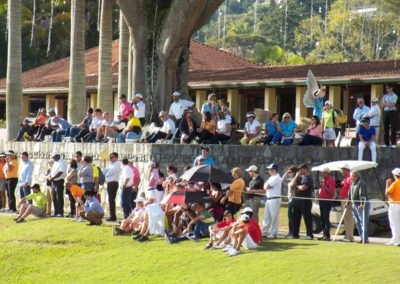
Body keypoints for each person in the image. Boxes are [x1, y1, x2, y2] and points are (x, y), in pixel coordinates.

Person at [289, 164, 314, 240]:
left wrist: (297, 186)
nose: (299, 171)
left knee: (307, 218)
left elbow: (303, 188)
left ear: (305, 169)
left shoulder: (309, 178)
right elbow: (291, 185)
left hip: (305, 201)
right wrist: (296, 176)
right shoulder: (299, 178)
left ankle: (309, 235)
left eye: (300, 169)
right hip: (297, 200)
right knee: (295, 218)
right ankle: (295, 234)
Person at [348, 171, 369, 244]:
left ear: (356, 176)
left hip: (361, 205)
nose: (350, 178)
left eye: (352, 176)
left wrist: (362, 204)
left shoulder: (361, 183)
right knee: (357, 223)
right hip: (354, 205)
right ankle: (362, 238)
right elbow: (349, 194)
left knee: (363, 222)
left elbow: (362, 194)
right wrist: (348, 203)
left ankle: (365, 239)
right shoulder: (352, 184)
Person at [262, 163, 282, 239]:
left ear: (274, 170)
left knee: (274, 217)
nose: (268, 171)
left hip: (275, 199)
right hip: (269, 199)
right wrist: (266, 186)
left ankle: (273, 233)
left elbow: (267, 186)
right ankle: (264, 231)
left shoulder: (276, 177)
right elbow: (265, 187)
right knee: (266, 216)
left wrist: (266, 186)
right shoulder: (271, 177)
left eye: (270, 169)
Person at [103, 152, 121, 221]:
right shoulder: (111, 165)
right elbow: (104, 172)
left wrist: (107, 172)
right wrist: (104, 164)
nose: (111, 159)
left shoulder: (117, 164)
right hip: (109, 183)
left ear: (116, 157)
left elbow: (109, 173)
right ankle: (112, 215)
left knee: (111, 199)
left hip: (113, 183)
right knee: (110, 199)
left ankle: (113, 216)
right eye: (110, 158)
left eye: (112, 157)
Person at [318, 168, 335, 241]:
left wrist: (324, 185)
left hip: (327, 201)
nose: (323, 174)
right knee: (322, 218)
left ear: (327, 173)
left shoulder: (331, 180)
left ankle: (327, 235)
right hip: (321, 200)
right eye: (322, 173)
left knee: (325, 217)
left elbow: (331, 192)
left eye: (324, 173)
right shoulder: (323, 180)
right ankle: (324, 234)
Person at [48, 152, 66, 217]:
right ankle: (56, 211)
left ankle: (60, 212)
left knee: (59, 197)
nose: (53, 158)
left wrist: (53, 177)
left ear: (57, 155)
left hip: (59, 181)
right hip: (54, 182)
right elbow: (52, 171)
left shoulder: (62, 162)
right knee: (54, 197)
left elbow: (61, 172)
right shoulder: (55, 162)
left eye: (54, 157)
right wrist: (50, 176)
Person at [339, 164, 354, 242]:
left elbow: (351, 190)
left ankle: (349, 236)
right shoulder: (346, 179)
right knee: (346, 218)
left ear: (346, 170)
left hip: (347, 200)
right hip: (344, 199)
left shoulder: (350, 178)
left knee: (348, 218)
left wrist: (348, 200)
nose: (341, 172)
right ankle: (347, 235)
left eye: (342, 170)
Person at [281, 166, 298, 238]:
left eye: (290, 172)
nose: (289, 174)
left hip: (294, 199)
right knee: (290, 217)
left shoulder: (296, 179)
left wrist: (296, 175)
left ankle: (293, 233)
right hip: (289, 199)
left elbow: (293, 185)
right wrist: (286, 173)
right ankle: (290, 232)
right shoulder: (290, 179)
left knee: (293, 217)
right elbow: (281, 180)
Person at [385, 168, 400, 246]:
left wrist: (387, 185)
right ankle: (396, 239)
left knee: (394, 222)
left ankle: (396, 240)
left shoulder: (395, 183)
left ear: (395, 175)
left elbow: (388, 193)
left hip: (394, 204)